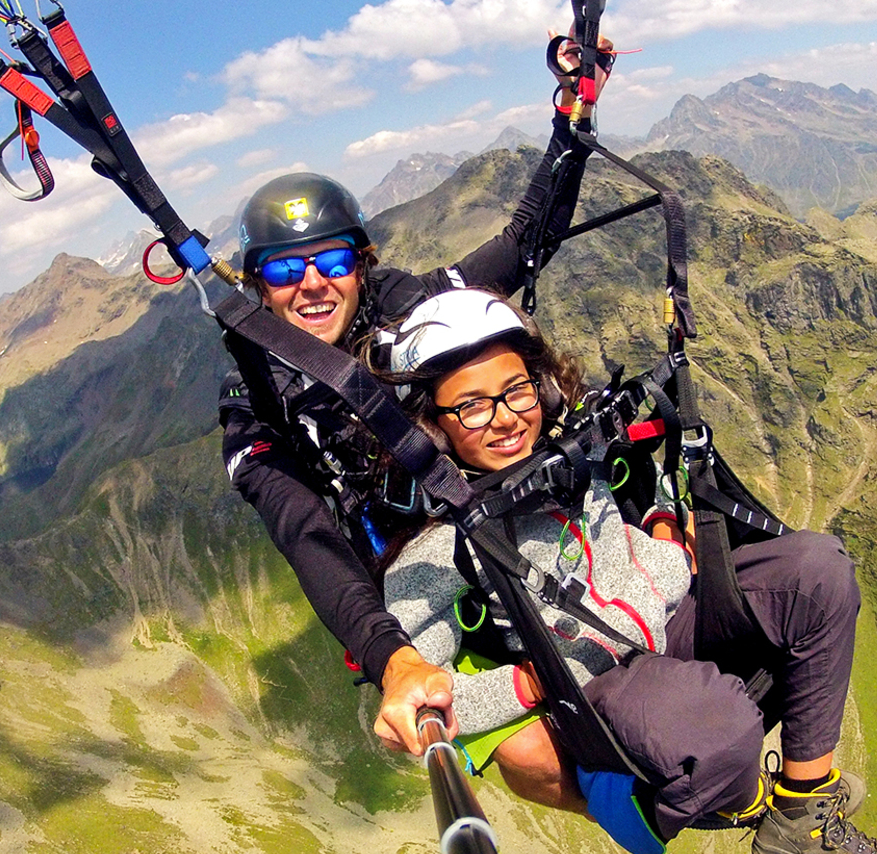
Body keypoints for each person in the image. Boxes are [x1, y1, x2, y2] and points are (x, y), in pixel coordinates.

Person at [370, 287, 877, 854]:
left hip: (673, 619)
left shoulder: (574, 455)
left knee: (818, 570)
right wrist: (532, 682)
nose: (504, 417)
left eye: (516, 390)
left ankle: (804, 809)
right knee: (725, 733)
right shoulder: (440, 551)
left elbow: (638, 496)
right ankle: (677, 796)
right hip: (603, 687)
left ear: (541, 389)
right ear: (435, 431)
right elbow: (432, 708)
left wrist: (663, 538)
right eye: (471, 406)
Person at [219, 31, 614, 730]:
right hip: (412, 584)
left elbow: (522, 248)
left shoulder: (403, 306)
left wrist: (571, 121)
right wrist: (390, 657)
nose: (312, 285)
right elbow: (304, 533)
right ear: (258, 287)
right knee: (525, 750)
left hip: (498, 515)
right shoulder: (256, 403)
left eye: (333, 261)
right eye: (284, 270)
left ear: (362, 263)